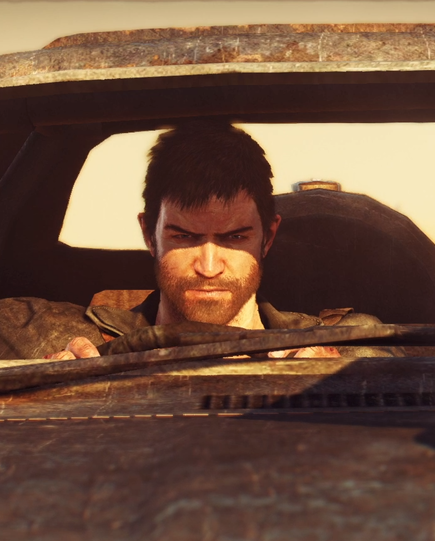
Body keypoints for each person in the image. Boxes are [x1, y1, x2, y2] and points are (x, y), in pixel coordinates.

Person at [40, 121, 381, 361]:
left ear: (268, 237)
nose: (208, 267)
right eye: (184, 236)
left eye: (234, 237)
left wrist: (339, 390)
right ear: (149, 235)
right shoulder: (77, 340)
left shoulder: (344, 347)